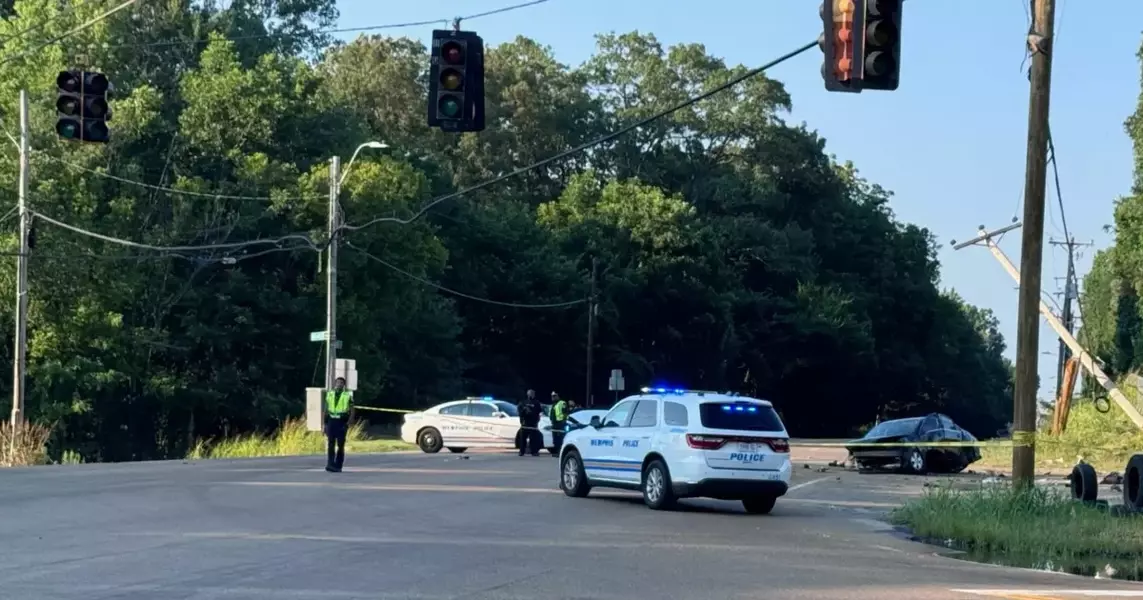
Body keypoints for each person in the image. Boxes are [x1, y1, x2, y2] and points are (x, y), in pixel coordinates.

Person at [325, 377, 354, 472]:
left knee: (340, 444)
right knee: (330, 443)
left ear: (344, 385)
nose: (339, 384)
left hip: (342, 422)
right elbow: (325, 409)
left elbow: (352, 410)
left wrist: (348, 423)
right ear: (335, 383)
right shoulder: (330, 394)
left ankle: (338, 465)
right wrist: (324, 423)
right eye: (338, 382)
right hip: (331, 421)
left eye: (341, 383)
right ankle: (330, 463)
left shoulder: (347, 395)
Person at [516, 389, 543, 457]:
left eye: (533, 394)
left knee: (533, 439)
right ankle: (521, 451)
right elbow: (520, 412)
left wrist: (536, 420)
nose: (532, 395)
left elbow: (539, 412)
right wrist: (525, 410)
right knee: (522, 439)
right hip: (524, 424)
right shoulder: (523, 402)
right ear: (528, 394)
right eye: (531, 394)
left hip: (533, 425)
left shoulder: (536, 402)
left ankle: (534, 452)